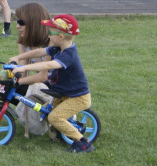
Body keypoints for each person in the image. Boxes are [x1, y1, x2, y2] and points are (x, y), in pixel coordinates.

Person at [9, 14, 95, 153]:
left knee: (55, 117)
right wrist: (18, 57)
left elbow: (48, 64)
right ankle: (63, 130)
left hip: (78, 97)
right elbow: (39, 52)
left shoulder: (68, 54)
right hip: (63, 93)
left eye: (50, 32)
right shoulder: (57, 48)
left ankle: (83, 143)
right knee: (45, 110)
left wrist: (24, 67)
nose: (48, 36)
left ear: (60, 36)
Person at [12, 2, 53, 138]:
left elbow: (43, 76)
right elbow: (23, 70)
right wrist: (14, 77)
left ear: (33, 23)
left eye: (21, 22)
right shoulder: (23, 42)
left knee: (17, 86)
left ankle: (41, 119)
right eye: (17, 22)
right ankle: (31, 116)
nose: (17, 26)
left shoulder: (51, 42)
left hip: (55, 85)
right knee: (9, 88)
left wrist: (18, 82)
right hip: (41, 84)